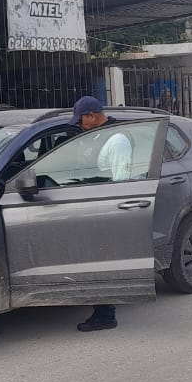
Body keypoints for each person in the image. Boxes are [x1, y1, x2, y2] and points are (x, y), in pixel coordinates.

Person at [69, 95, 133, 332]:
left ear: (92, 116)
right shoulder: (96, 135)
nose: (79, 124)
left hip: (104, 207)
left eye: (81, 120)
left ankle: (106, 314)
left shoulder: (116, 140)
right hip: (90, 206)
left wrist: (113, 213)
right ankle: (101, 308)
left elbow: (121, 178)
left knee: (101, 260)